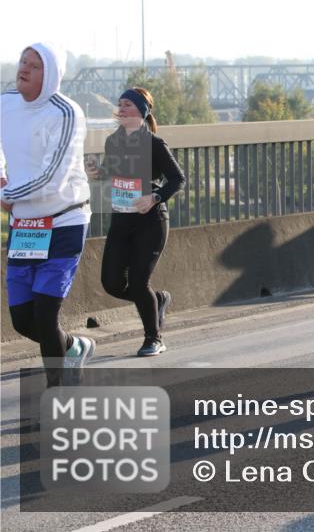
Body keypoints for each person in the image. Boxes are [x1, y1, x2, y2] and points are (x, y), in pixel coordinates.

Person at [2, 43, 94, 385]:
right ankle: (74, 347)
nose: (24, 68)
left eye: (35, 65)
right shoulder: (6, 103)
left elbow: (53, 177)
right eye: (23, 61)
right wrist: (1, 178)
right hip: (25, 225)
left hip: (63, 220)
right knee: (23, 320)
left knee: (44, 316)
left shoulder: (66, 113)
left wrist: (8, 194)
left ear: (51, 75)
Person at [85, 88, 185, 357]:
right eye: (119, 104)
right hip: (122, 221)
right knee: (111, 283)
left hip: (151, 221)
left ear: (142, 111)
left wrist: (154, 197)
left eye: (127, 104)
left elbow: (178, 179)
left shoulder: (154, 143)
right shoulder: (113, 142)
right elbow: (110, 172)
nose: (121, 109)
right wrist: (97, 172)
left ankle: (154, 338)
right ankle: (158, 299)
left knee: (139, 282)